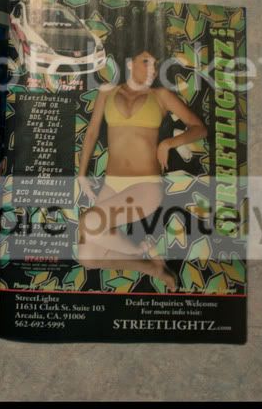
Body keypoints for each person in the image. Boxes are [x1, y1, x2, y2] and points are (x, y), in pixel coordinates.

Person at [76, 46, 207, 291]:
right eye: (146, 62)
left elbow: (199, 128)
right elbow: (91, 133)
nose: (153, 69)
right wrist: (82, 175)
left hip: (145, 186)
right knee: (87, 257)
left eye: (155, 64)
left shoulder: (161, 95)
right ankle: (153, 268)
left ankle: (140, 250)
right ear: (129, 62)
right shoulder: (107, 92)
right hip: (112, 184)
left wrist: (169, 143)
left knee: (89, 223)